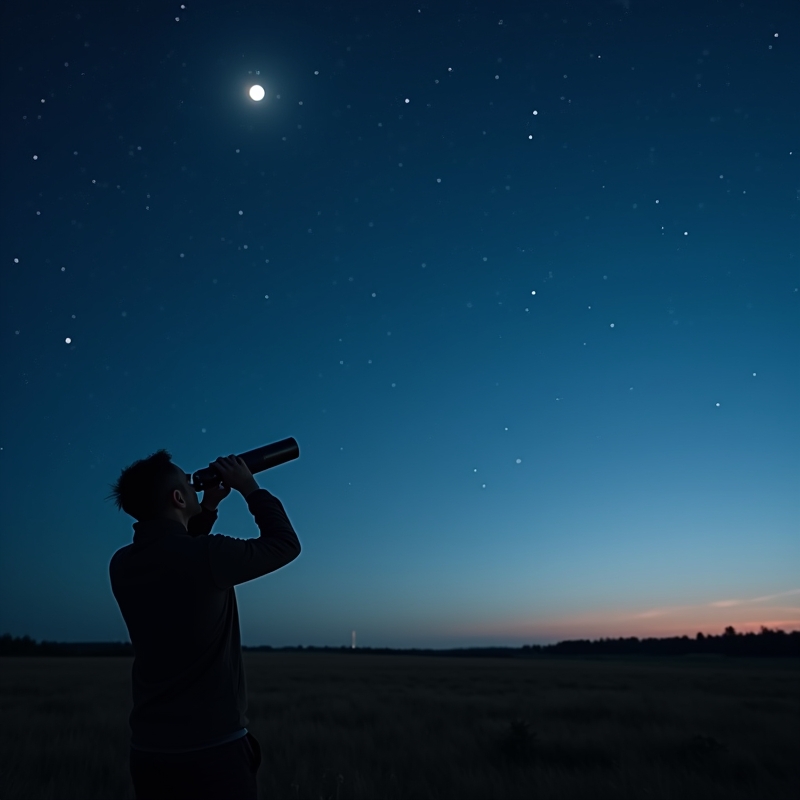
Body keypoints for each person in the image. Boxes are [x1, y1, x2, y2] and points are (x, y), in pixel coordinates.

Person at [107, 451, 302, 800]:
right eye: (188, 484)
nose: (195, 487)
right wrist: (249, 487)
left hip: (149, 751)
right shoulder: (208, 555)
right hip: (214, 753)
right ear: (179, 498)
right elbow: (285, 545)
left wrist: (207, 507)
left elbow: (178, 550)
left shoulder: (121, 564)